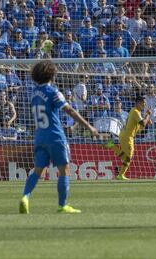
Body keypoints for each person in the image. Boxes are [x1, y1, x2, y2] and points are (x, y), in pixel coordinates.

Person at [19, 60, 98, 214]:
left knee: (37, 171)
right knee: (64, 170)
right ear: (52, 74)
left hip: (40, 137)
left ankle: (25, 197)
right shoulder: (53, 92)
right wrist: (89, 126)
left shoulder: (34, 94)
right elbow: (70, 111)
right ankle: (62, 205)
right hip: (55, 136)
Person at [103, 96, 152, 180]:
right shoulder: (135, 111)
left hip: (127, 135)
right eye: (144, 102)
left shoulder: (135, 111)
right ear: (138, 103)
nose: (145, 104)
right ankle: (121, 175)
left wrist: (147, 119)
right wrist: (147, 115)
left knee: (126, 157)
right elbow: (143, 123)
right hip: (127, 136)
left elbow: (142, 124)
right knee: (128, 157)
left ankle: (111, 146)